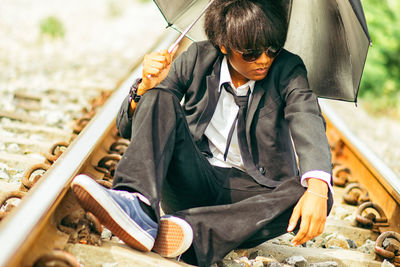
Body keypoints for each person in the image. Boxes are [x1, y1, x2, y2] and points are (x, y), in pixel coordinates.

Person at [71, 0, 334, 266]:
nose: (264, 59)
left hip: (252, 198)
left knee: (317, 191)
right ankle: (137, 205)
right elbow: (131, 127)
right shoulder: (197, 57)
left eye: (272, 49)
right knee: (159, 96)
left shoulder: (288, 70)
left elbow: (306, 115)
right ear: (224, 45)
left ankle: (189, 235)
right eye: (252, 53)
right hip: (193, 177)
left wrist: (318, 185)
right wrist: (145, 87)